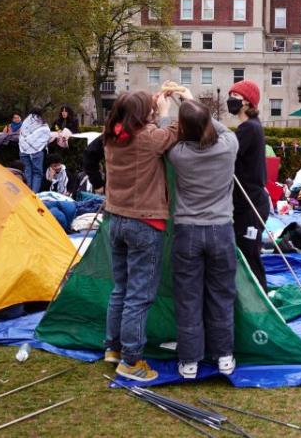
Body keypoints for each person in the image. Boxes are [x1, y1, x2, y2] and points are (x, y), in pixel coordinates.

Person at [103, 88, 182, 382]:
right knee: (139, 295)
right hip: (145, 225)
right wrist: (162, 112)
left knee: (120, 289)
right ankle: (132, 360)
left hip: (116, 221)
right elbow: (176, 130)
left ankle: (113, 347)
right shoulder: (148, 138)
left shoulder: (111, 136)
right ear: (142, 114)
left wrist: (149, 104)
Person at [167, 97, 239, 380]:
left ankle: (189, 361)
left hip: (187, 233)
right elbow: (222, 131)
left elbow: (166, 131)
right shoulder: (228, 146)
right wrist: (192, 102)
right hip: (221, 230)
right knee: (221, 295)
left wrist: (179, 109)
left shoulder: (178, 153)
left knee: (188, 298)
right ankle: (223, 356)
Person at [227, 80, 270, 292]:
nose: (231, 100)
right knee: (243, 254)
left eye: (235, 96)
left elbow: (226, 153)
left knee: (250, 255)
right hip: (244, 203)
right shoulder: (247, 128)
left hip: (251, 205)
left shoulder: (249, 129)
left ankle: (260, 303)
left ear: (247, 102)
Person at [18, 108, 50, 192]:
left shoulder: (25, 122)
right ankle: (34, 194)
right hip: (37, 151)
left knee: (27, 171)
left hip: (23, 149)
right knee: (37, 173)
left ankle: (27, 192)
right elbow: (46, 135)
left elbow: (21, 134)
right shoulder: (42, 123)